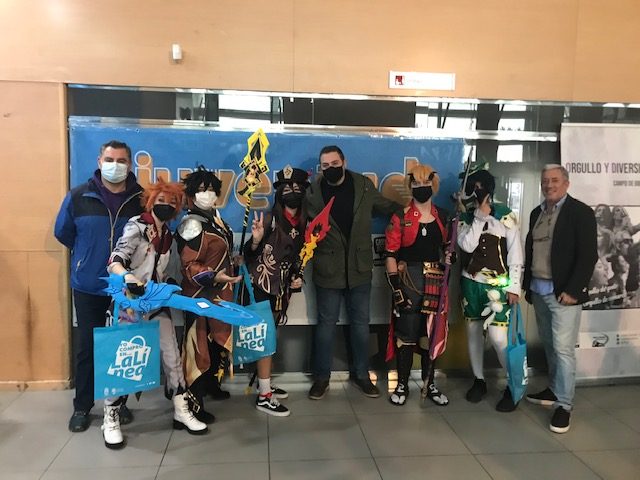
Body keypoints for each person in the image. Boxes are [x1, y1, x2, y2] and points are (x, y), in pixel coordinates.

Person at [102, 179, 207, 448]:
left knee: (172, 358)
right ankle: (111, 416)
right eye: (161, 201)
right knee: (124, 361)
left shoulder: (168, 235)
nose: (166, 206)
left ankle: (181, 409)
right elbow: (115, 260)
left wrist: (171, 285)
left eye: (172, 202)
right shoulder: (136, 226)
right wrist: (127, 277)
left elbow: (163, 270)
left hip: (156, 303)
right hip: (129, 304)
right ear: (150, 202)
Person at [54, 140, 143, 433]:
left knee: (124, 348)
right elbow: (64, 233)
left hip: (126, 288)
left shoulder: (141, 199)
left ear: (130, 164)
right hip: (89, 285)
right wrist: (87, 257)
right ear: (99, 161)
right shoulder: (79, 196)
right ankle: (82, 406)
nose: (115, 165)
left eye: (121, 160)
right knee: (87, 348)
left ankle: (119, 404)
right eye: (109, 159)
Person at [304, 145, 402, 400]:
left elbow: (386, 206)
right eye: (325, 166)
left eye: (335, 164)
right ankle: (321, 378)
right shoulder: (313, 192)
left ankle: (362, 375)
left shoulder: (364, 186)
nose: (330, 169)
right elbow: (300, 223)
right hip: (328, 269)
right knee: (325, 326)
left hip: (359, 268)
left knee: (360, 325)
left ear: (344, 162)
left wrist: (414, 212)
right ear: (320, 168)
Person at [523, 164, 597, 433]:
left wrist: (574, 290)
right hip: (539, 291)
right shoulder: (537, 213)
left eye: (554, 180)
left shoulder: (581, 212)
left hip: (565, 294)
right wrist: (527, 286)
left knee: (564, 350)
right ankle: (554, 390)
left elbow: (588, 256)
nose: (549, 185)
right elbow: (531, 250)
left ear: (566, 183)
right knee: (551, 345)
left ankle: (564, 405)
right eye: (545, 181)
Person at [175, 166, 241, 424]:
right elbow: (189, 264)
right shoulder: (192, 223)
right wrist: (212, 276)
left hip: (220, 294)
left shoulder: (217, 220)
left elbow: (219, 254)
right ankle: (193, 402)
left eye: (212, 189)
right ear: (192, 194)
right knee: (197, 347)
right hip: (199, 295)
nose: (207, 193)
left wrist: (233, 261)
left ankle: (212, 384)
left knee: (216, 342)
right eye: (202, 189)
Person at [242, 165, 310, 416]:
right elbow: (249, 254)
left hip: (281, 289)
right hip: (261, 286)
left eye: (297, 188)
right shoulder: (269, 220)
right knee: (265, 338)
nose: (292, 192)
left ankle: (265, 383)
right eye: (286, 188)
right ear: (279, 193)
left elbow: (300, 257)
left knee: (272, 335)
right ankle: (264, 396)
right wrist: (256, 240)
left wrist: (297, 277)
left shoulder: (305, 222)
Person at [383, 164, 451, 407]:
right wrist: (396, 288)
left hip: (435, 280)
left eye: (426, 183)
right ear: (410, 186)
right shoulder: (400, 217)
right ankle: (401, 384)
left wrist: (450, 255)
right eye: (417, 183)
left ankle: (429, 383)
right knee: (406, 334)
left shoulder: (444, 216)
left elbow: (447, 248)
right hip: (408, 280)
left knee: (430, 335)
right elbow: (390, 254)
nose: (422, 187)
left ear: (433, 184)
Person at [457, 167, 523, 412]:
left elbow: (516, 254)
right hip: (471, 284)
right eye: (473, 188)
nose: (477, 192)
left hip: (498, 285)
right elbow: (467, 246)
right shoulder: (465, 219)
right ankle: (479, 380)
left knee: (498, 338)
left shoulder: (506, 216)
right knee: (473, 333)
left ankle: (514, 384)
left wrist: (514, 286)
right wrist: (479, 217)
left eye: (480, 188)